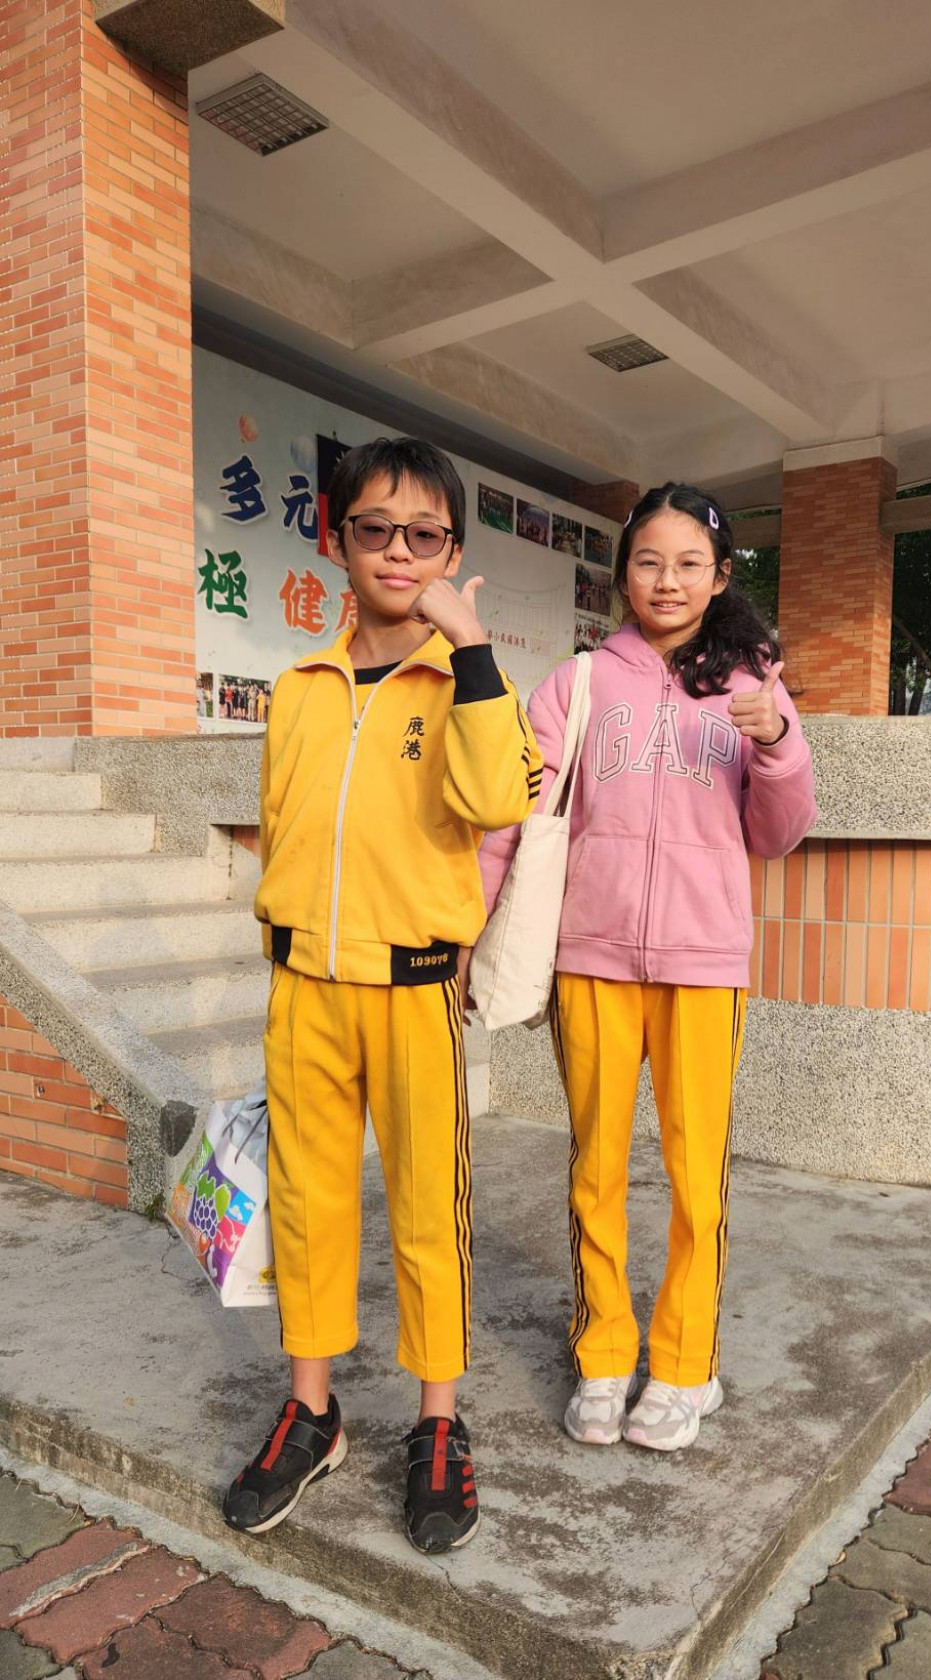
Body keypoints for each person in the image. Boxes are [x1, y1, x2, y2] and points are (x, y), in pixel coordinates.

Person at [225, 436, 541, 1550]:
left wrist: (473, 649)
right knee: (307, 1202)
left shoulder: (464, 680)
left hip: (412, 992)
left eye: (424, 535)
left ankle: (438, 1422)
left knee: (426, 1210)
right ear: (337, 539)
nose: (398, 551)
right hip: (305, 986)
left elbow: (499, 798)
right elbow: (283, 823)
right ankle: (311, 1412)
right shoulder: (299, 687)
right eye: (376, 528)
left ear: (450, 552)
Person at [479, 482, 816, 1454]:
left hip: (704, 966)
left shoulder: (752, 686)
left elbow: (780, 832)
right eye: (648, 562)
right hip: (591, 961)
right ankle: (602, 1353)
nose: (668, 581)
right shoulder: (578, 683)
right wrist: (468, 926)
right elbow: (516, 813)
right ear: (622, 573)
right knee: (594, 1166)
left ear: (720, 576)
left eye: (689, 564)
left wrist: (776, 743)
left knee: (694, 1176)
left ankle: (682, 1362)